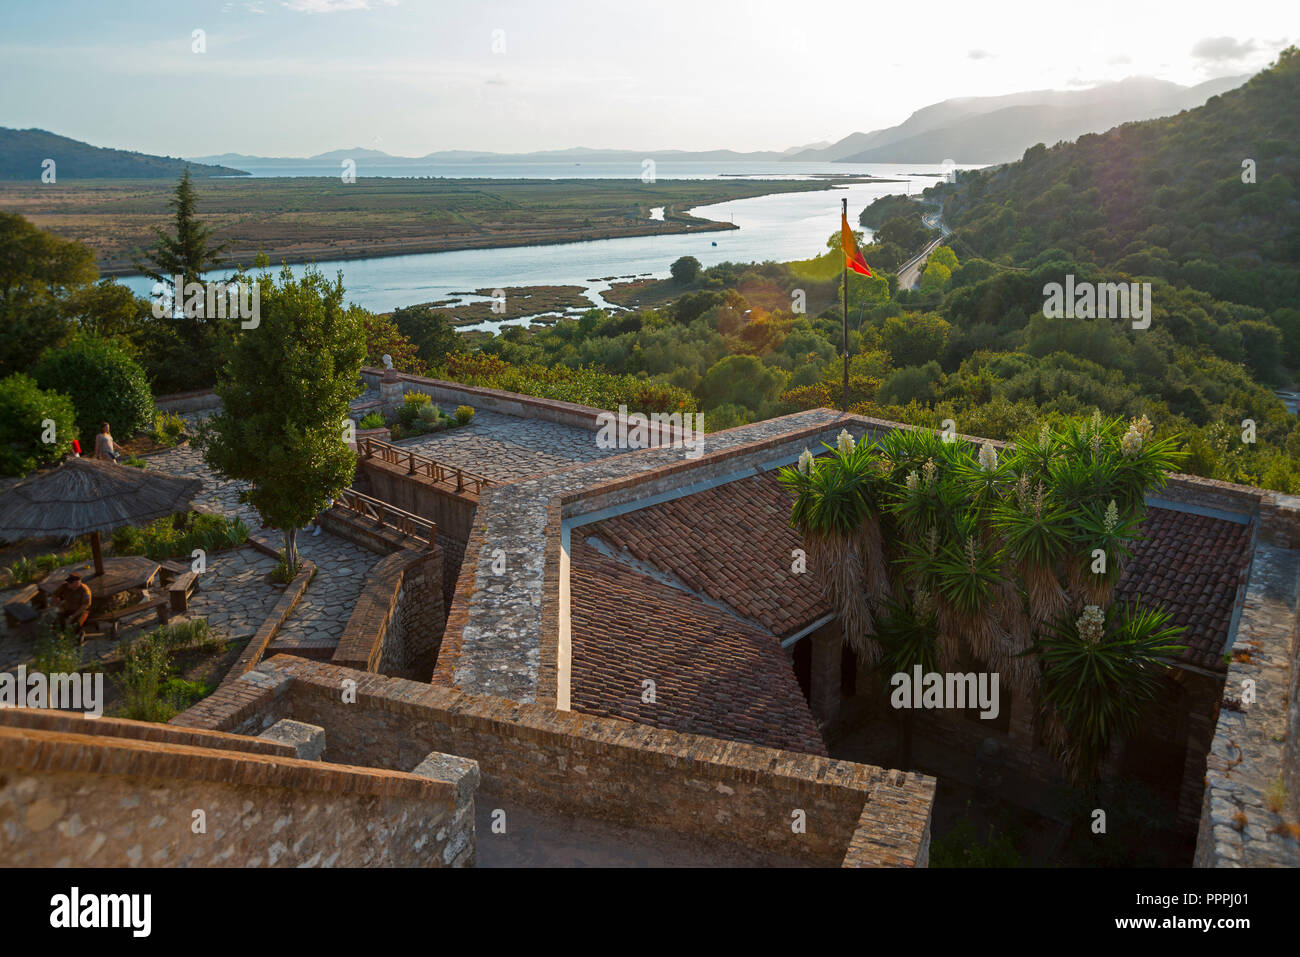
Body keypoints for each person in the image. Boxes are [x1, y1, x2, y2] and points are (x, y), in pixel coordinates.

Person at [53, 573, 94, 643]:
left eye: (71, 584)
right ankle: (60, 637)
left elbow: (84, 606)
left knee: (77, 624)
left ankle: (79, 637)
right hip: (67, 609)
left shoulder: (85, 590)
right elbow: (54, 595)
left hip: (81, 611)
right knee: (57, 622)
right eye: (69, 583)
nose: (68, 585)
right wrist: (59, 606)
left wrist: (72, 617)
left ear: (76, 584)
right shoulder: (64, 586)